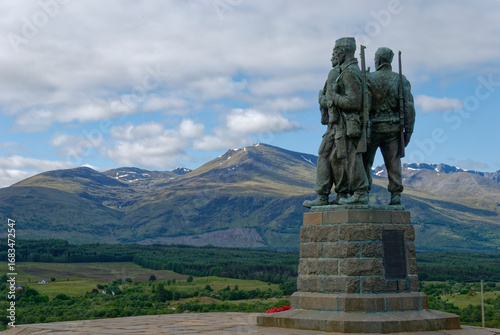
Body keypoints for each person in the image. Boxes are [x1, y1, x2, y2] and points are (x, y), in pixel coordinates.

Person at [364, 47, 415, 205]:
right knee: (394, 162)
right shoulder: (400, 79)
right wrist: (409, 130)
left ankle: (363, 192)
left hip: (372, 128)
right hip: (393, 128)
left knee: (365, 161)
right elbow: (408, 107)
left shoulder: (368, 78)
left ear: (378, 60)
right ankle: (395, 195)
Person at [303, 52, 348, 208]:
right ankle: (326, 195)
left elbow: (330, 101)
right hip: (335, 125)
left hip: (339, 124)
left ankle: (335, 194)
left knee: (335, 158)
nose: (331, 58)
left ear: (342, 54)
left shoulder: (336, 73)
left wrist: (320, 98)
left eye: (334, 54)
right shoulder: (343, 73)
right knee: (327, 156)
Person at [328, 37, 369, 205]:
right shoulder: (347, 71)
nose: (335, 55)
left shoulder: (350, 72)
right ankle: (343, 193)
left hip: (349, 123)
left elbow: (353, 102)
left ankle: (360, 191)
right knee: (337, 158)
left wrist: (334, 95)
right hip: (344, 123)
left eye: (336, 51)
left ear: (343, 52)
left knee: (351, 157)